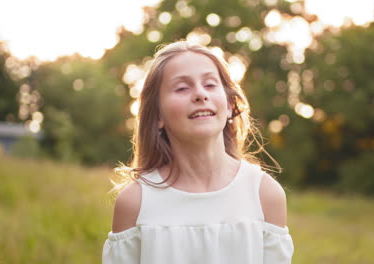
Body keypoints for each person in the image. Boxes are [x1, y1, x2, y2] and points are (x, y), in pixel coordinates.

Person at [102, 40, 294, 264]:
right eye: (182, 88)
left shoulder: (265, 194)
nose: (200, 94)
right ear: (158, 115)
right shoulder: (135, 202)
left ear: (230, 104)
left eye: (210, 85)